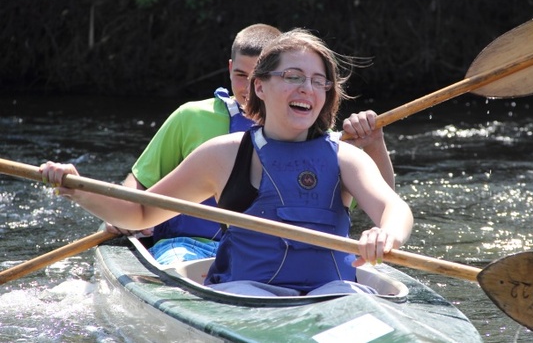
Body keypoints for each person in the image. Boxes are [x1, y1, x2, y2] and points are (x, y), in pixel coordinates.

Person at [41, 28, 413, 297]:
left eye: (319, 81)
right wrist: (76, 188)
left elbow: (394, 208)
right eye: (294, 77)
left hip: (333, 296)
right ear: (260, 87)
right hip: (244, 296)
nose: (308, 89)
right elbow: (139, 215)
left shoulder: (344, 155)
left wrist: (387, 234)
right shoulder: (223, 153)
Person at [110, 24, 395, 265]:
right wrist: (123, 213)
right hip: (189, 246)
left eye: (296, 78)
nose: (247, 89)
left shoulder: (314, 135)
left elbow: (380, 202)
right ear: (231, 68)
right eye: (240, 76)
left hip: (272, 256)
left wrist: (373, 144)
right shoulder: (191, 118)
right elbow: (141, 182)